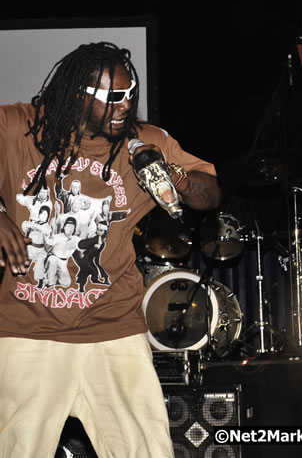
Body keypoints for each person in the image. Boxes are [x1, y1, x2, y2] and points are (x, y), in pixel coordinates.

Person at [0, 42, 222, 457]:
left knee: (147, 450)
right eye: (114, 97)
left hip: (113, 327)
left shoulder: (142, 143)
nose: (126, 105)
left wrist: (175, 177)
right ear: (78, 93)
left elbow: (209, 195)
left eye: (131, 94)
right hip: (30, 329)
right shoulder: (17, 127)